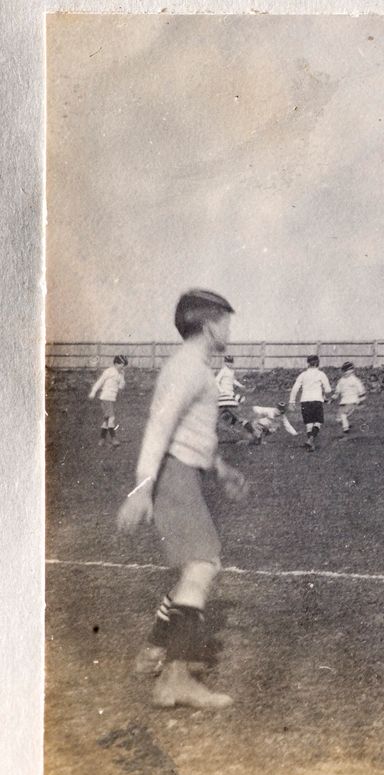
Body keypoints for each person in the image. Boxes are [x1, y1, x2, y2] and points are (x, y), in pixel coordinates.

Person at [116, 289, 248, 709]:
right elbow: (160, 427)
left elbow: (192, 433)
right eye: (227, 321)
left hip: (182, 472)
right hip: (172, 475)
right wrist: (141, 490)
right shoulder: (188, 368)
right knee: (202, 565)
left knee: (202, 563)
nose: (230, 329)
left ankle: (154, 651)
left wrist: (221, 468)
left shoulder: (193, 368)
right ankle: (175, 677)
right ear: (210, 324)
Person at [289, 355, 331, 451]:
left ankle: (310, 444)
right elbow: (328, 389)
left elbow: (295, 388)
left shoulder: (303, 375)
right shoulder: (321, 374)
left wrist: (291, 402)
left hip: (305, 401)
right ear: (318, 363)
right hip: (317, 401)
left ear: (308, 363)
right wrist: (324, 395)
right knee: (318, 422)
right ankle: (311, 440)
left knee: (308, 423)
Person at [88, 355, 128, 446]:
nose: (122, 366)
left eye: (124, 365)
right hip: (105, 397)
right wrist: (93, 392)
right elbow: (100, 381)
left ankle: (102, 440)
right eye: (121, 364)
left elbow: (121, 387)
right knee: (111, 418)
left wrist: (123, 378)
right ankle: (114, 439)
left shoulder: (120, 374)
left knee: (106, 420)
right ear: (115, 363)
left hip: (112, 398)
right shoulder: (109, 371)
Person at [333, 361, 368, 434]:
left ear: (352, 371)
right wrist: (333, 398)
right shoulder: (341, 380)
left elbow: (361, 390)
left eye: (348, 370)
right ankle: (347, 425)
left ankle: (346, 429)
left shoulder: (355, 380)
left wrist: (361, 400)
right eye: (344, 371)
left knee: (343, 415)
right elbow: (337, 391)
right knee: (338, 419)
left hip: (352, 401)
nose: (346, 372)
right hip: (343, 402)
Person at [215, 355, 247, 433]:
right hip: (225, 395)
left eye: (231, 362)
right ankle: (222, 425)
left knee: (236, 408)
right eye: (228, 362)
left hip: (231, 394)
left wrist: (241, 386)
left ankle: (229, 425)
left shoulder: (231, 371)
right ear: (225, 362)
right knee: (233, 410)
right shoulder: (223, 370)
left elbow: (233, 380)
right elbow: (216, 381)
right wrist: (221, 390)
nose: (230, 364)